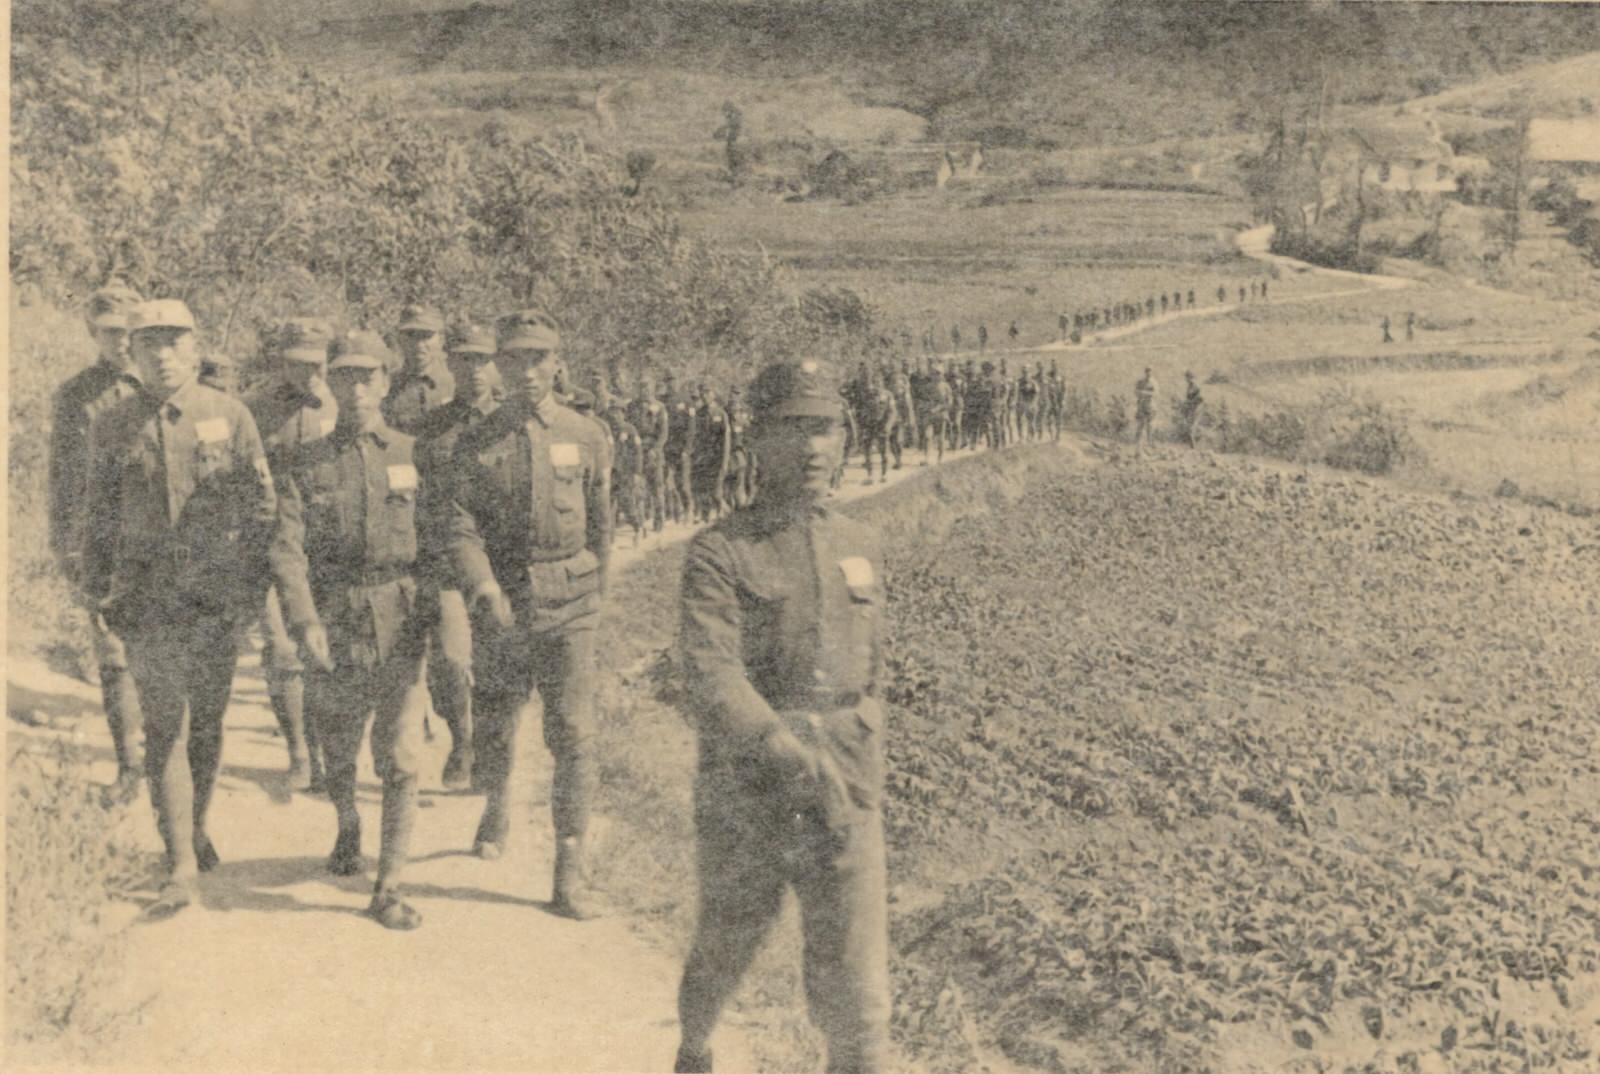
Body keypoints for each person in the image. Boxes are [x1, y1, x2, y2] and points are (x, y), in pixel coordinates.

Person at [673, 358, 891, 1074]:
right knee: (727, 945)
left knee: (858, 997)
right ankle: (694, 1047)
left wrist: (860, 737)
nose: (812, 448)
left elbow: (871, 666)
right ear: (757, 441)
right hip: (752, 788)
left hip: (846, 784)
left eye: (825, 428)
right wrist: (780, 744)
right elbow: (712, 672)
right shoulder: (721, 551)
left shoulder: (860, 543)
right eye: (793, 430)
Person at [82, 299, 276, 918]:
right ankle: (179, 867)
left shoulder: (229, 414)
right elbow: (98, 517)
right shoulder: (112, 424)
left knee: (209, 724)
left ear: (195, 349)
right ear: (131, 354)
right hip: (147, 600)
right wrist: (95, 590)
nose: (162, 355)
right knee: (165, 728)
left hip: (213, 597)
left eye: (173, 343)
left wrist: (249, 590)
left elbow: (262, 508)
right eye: (149, 345)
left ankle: (195, 824)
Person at [448, 310, 613, 919]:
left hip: (571, 602)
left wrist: (594, 590)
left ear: (557, 361)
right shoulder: (477, 440)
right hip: (504, 601)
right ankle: (497, 804)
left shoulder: (587, 433)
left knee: (574, 733)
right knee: (495, 720)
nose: (527, 371)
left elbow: (602, 522)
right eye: (514, 359)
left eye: (539, 358)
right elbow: (460, 525)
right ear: (500, 365)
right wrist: (484, 586)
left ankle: (569, 871)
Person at [268, 332, 432, 929]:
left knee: (401, 752)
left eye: (368, 377)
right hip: (334, 617)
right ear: (329, 385)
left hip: (401, 615)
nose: (357, 389)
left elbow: (438, 544)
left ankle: (389, 884)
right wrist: (304, 618)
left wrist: (445, 621)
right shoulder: (304, 464)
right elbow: (287, 550)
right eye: (345, 378)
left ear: (386, 383)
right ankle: (347, 823)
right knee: (337, 746)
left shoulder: (416, 454)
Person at [51, 283, 148, 806]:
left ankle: (169, 761)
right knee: (113, 656)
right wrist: (66, 548)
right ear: (93, 333)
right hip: (102, 544)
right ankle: (130, 767)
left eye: (129, 331)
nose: (122, 342)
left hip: (158, 539)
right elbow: (62, 479)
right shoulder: (74, 396)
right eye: (110, 332)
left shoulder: (161, 384)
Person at [243, 316, 340, 792]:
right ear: (281, 361)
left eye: (316, 364)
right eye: (297, 364)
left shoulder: (342, 401)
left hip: (326, 547)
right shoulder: (253, 407)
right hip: (266, 543)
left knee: (325, 649)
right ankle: (300, 753)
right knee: (283, 652)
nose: (308, 374)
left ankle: (330, 756)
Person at [410, 321, 505, 791]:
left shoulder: (511, 422)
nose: (475, 371)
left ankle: (489, 750)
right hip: (445, 564)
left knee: (495, 663)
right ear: (451, 364)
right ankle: (461, 737)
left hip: (502, 565)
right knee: (449, 659)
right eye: (465, 360)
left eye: (483, 359)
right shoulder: (431, 428)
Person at [383, 304, 456, 434]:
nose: (418, 344)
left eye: (426, 336)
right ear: (399, 339)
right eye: (411, 335)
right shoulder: (387, 386)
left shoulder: (457, 381)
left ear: (441, 339)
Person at [627, 372, 670, 533]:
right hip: (638, 451)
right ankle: (641, 521)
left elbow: (663, 433)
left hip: (653, 451)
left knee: (657, 487)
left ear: (652, 388)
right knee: (638, 488)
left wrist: (656, 449)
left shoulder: (660, 407)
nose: (644, 390)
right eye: (641, 387)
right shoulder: (632, 406)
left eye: (647, 387)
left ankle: (659, 520)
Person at [691, 384, 733, 523]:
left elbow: (725, 439)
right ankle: (705, 516)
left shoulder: (721, 414)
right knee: (703, 488)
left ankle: (726, 513)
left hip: (717, 457)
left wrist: (725, 460)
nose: (705, 396)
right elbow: (695, 435)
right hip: (703, 457)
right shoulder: (699, 413)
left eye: (708, 392)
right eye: (703, 393)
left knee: (716, 490)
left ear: (714, 394)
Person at [664, 371, 697, 526]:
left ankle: (689, 509)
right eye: (668, 381)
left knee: (683, 483)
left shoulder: (687, 400)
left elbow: (691, 428)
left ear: (678, 382)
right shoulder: (663, 401)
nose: (671, 384)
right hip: (668, 449)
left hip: (682, 448)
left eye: (673, 380)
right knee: (669, 482)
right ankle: (676, 512)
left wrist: (687, 449)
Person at [1133, 367, 1157, 457]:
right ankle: (1138, 443)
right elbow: (1135, 391)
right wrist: (1140, 393)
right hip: (1141, 405)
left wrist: (1144, 393)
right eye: (1147, 373)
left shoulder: (1154, 383)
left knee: (1150, 425)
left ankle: (1150, 442)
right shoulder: (1140, 382)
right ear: (1145, 373)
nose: (1148, 375)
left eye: (1150, 373)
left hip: (1150, 406)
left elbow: (1156, 393)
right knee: (1140, 424)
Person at [1179, 370, 1204, 448]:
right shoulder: (1189, 386)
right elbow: (1188, 398)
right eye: (1186, 378)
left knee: (1191, 428)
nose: (1187, 379)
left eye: (1188, 377)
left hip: (1197, 409)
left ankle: (1194, 447)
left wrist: (1191, 402)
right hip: (1191, 408)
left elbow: (1201, 398)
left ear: (1191, 377)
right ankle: (1192, 446)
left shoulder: (1196, 386)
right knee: (1189, 427)